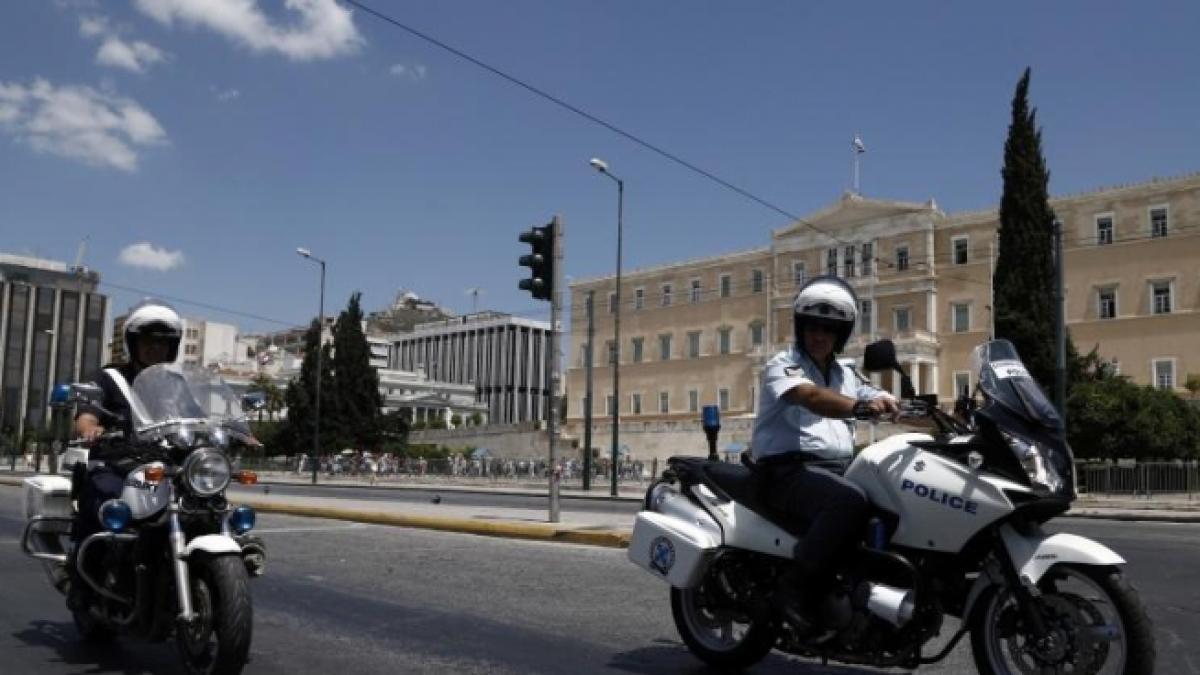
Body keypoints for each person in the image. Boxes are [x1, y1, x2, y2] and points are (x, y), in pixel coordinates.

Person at [750, 276, 898, 635]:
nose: (819, 335)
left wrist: (942, 416)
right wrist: (860, 407)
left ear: (840, 334)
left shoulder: (846, 373)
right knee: (847, 502)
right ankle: (794, 588)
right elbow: (811, 397)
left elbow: (879, 398)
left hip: (835, 469)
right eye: (812, 326)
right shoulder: (784, 364)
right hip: (785, 472)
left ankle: (866, 593)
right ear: (801, 327)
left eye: (828, 329)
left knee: (894, 498)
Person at [68, 299, 183, 611]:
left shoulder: (176, 384)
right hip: (116, 462)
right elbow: (87, 414)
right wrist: (90, 428)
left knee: (203, 502)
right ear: (134, 343)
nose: (155, 348)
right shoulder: (109, 378)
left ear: (171, 348)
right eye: (148, 341)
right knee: (108, 503)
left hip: (163, 465)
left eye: (163, 343)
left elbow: (198, 416)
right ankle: (83, 584)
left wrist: (237, 433)